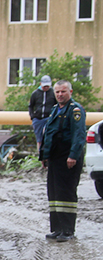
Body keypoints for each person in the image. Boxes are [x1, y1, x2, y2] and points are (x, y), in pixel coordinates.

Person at [39, 80, 86, 242]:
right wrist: (45, 155)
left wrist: (73, 155)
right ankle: (57, 229)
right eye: (57, 92)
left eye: (63, 91)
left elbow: (79, 135)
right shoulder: (55, 110)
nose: (60, 94)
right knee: (54, 193)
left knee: (66, 193)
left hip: (68, 157)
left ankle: (67, 231)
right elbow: (49, 134)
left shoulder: (75, 110)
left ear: (70, 92)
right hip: (55, 157)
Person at [29, 75, 57, 153]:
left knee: (49, 137)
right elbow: (31, 106)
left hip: (49, 118)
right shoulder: (35, 93)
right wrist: (32, 116)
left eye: (47, 86)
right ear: (41, 84)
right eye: (44, 86)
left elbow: (57, 105)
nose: (46, 88)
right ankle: (40, 156)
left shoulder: (53, 93)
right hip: (38, 119)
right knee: (39, 139)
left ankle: (49, 155)